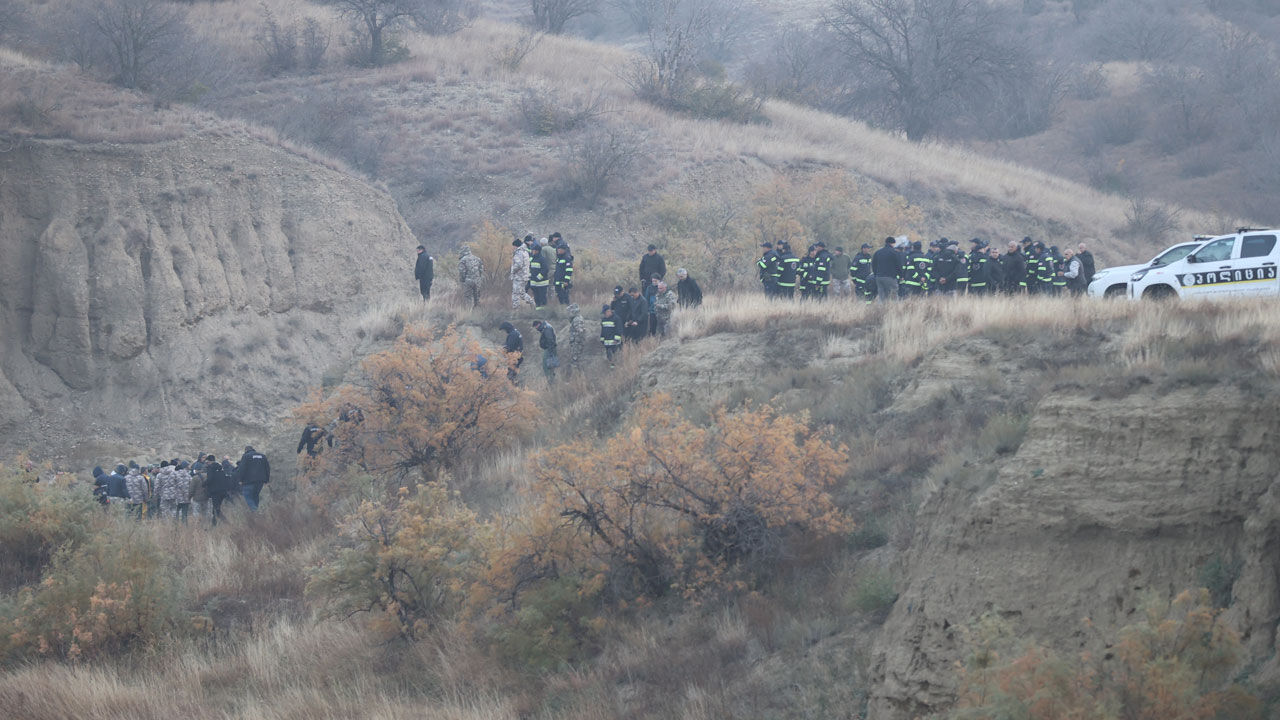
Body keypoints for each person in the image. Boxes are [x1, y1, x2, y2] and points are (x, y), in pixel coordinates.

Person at [235, 446, 270, 512]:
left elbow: (242, 469)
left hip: (249, 481)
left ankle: (255, 510)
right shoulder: (262, 456)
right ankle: (256, 513)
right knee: (255, 495)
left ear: (246, 451)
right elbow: (267, 468)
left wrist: (240, 479)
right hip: (260, 481)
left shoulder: (246, 456)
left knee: (247, 495)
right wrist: (267, 479)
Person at [872, 236, 902, 303]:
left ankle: (880, 311)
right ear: (892, 243)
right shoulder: (894, 253)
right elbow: (899, 265)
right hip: (890, 277)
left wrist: (876, 274)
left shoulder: (877, 252)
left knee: (881, 296)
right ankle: (894, 310)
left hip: (879, 277)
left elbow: (873, 265)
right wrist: (901, 275)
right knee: (893, 295)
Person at [204, 454, 232, 526]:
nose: (207, 463)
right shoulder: (221, 468)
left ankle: (227, 523)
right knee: (216, 508)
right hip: (223, 491)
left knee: (216, 509)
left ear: (210, 461)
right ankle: (214, 524)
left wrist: (204, 484)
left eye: (207, 462)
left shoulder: (210, 468)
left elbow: (210, 479)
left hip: (215, 491)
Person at [532, 319, 559, 384]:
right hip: (550, 349)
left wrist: (550, 352)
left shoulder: (547, 328)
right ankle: (552, 382)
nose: (536, 328)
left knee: (547, 366)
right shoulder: (546, 327)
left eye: (536, 326)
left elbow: (550, 340)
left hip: (549, 349)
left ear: (538, 324)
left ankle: (551, 382)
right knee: (550, 366)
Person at [510, 238, 534, 309]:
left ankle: (516, 309)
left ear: (515, 246)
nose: (513, 248)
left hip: (519, 276)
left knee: (515, 293)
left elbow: (518, 265)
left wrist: (512, 271)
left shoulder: (519, 252)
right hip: (524, 276)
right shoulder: (525, 252)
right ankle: (532, 302)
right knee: (522, 293)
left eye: (513, 246)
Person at [566, 304, 586, 376]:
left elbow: (580, 332)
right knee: (575, 360)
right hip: (575, 344)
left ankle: (577, 377)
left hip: (577, 344)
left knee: (576, 360)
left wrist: (577, 343)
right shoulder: (575, 319)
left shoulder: (577, 320)